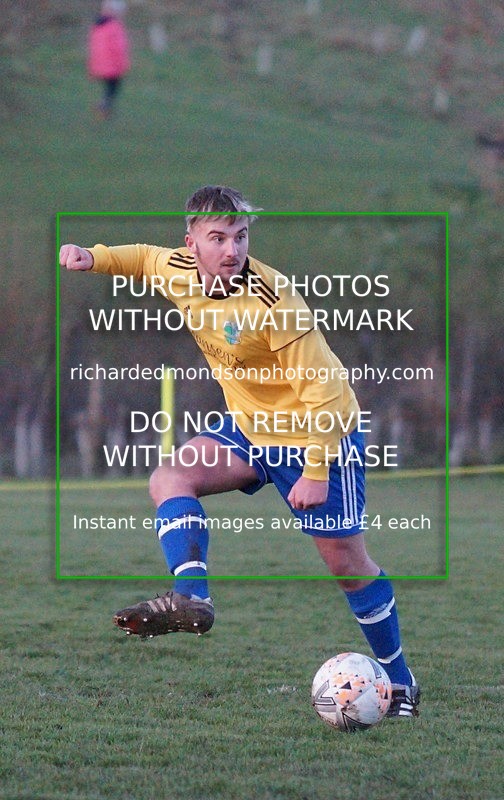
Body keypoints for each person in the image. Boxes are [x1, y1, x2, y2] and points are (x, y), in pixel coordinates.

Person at [60, 185, 420, 718]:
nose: (232, 250)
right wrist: (93, 259)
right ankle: (192, 596)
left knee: (346, 562)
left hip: (318, 431)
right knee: (169, 479)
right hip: (253, 427)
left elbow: (321, 392)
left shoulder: (275, 300)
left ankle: (401, 683)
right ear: (192, 244)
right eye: (218, 237)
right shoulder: (177, 268)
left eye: (241, 236)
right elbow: (141, 259)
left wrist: (315, 472)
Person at [87, 0, 131, 118]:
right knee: (113, 87)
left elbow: (95, 46)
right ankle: (103, 107)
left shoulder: (98, 25)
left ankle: (103, 106)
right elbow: (119, 47)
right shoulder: (114, 26)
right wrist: (122, 64)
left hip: (100, 64)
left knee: (109, 87)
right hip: (112, 65)